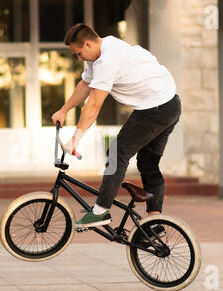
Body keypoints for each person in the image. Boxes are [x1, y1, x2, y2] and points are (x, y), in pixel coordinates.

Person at [52, 23, 181, 229]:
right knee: (147, 163)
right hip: (169, 104)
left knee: (116, 153)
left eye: (78, 53)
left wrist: (75, 138)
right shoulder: (104, 48)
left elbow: (94, 104)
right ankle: (155, 221)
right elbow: (85, 84)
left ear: (87, 44)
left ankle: (101, 211)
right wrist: (64, 110)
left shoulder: (107, 60)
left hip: (156, 108)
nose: (79, 58)